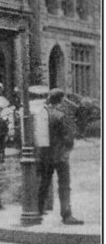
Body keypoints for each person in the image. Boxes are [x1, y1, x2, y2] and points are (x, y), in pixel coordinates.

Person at [38, 89, 83, 225]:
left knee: (44, 184)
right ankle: (66, 215)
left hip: (45, 155)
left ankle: (38, 211)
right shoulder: (61, 116)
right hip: (60, 156)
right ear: (61, 100)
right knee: (64, 186)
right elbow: (68, 139)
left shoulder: (43, 113)